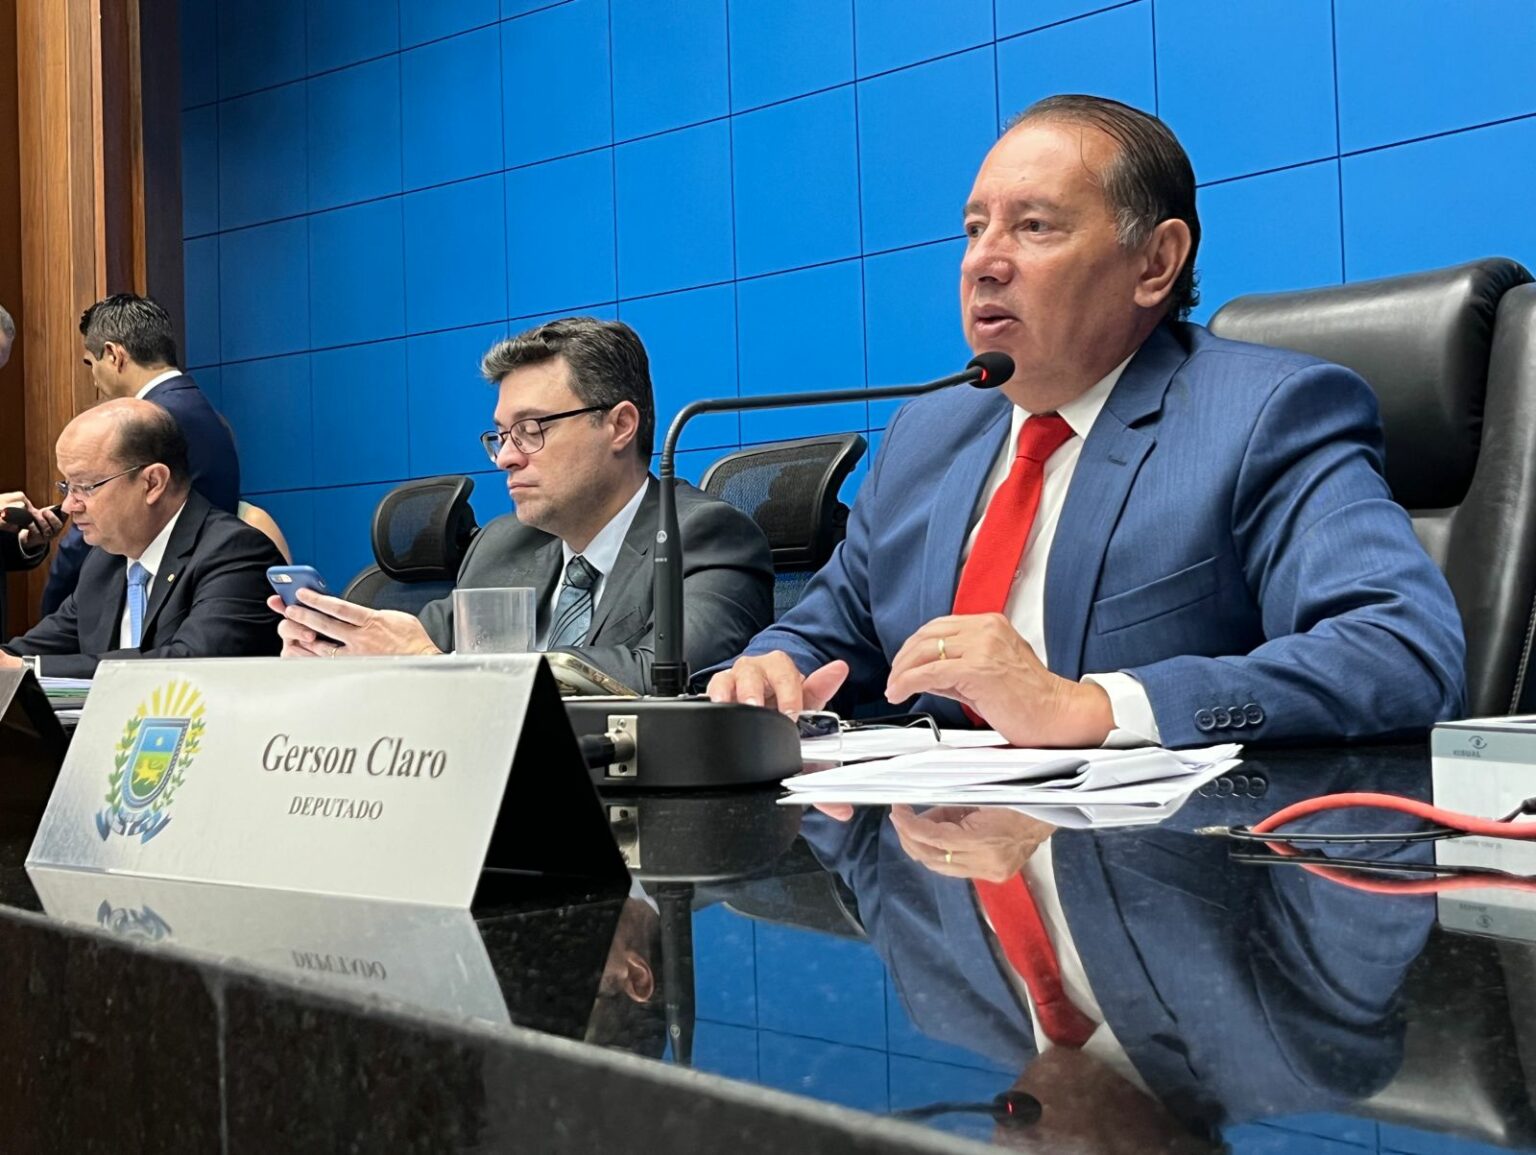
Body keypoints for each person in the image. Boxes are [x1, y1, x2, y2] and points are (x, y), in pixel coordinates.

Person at [707, 94, 1465, 749]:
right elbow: (823, 633)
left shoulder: (1265, 416)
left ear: (1155, 263)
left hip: (1171, 859)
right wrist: (772, 671)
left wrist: (1090, 706)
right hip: (941, 854)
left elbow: (1401, 654)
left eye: (1034, 226)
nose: (982, 262)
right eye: (974, 229)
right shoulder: (926, 434)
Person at [272, 317, 773, 694]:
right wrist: (339, 652)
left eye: (532, 429)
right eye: (502, 435)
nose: (507, 457)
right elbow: (416, 640)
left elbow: (665, 678)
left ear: (620, 425)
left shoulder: (705, 536)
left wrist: (440, 667)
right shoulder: (504, 543)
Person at [1, 399, 282, 678]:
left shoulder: (235, 553)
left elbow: (191, 663)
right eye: (67, 486)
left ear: (153, 483)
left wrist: (29, 668)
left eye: (85, 487)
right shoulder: (104, 563)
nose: (68, 506)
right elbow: (24, 654)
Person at [39, 293, 242, 615]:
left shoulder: (150, 422)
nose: (94, 379)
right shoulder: (212, 417)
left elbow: (88, 539)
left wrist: (55, 610)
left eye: (90, 363)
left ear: (113, 355)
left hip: (153, 606)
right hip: (198, 593)